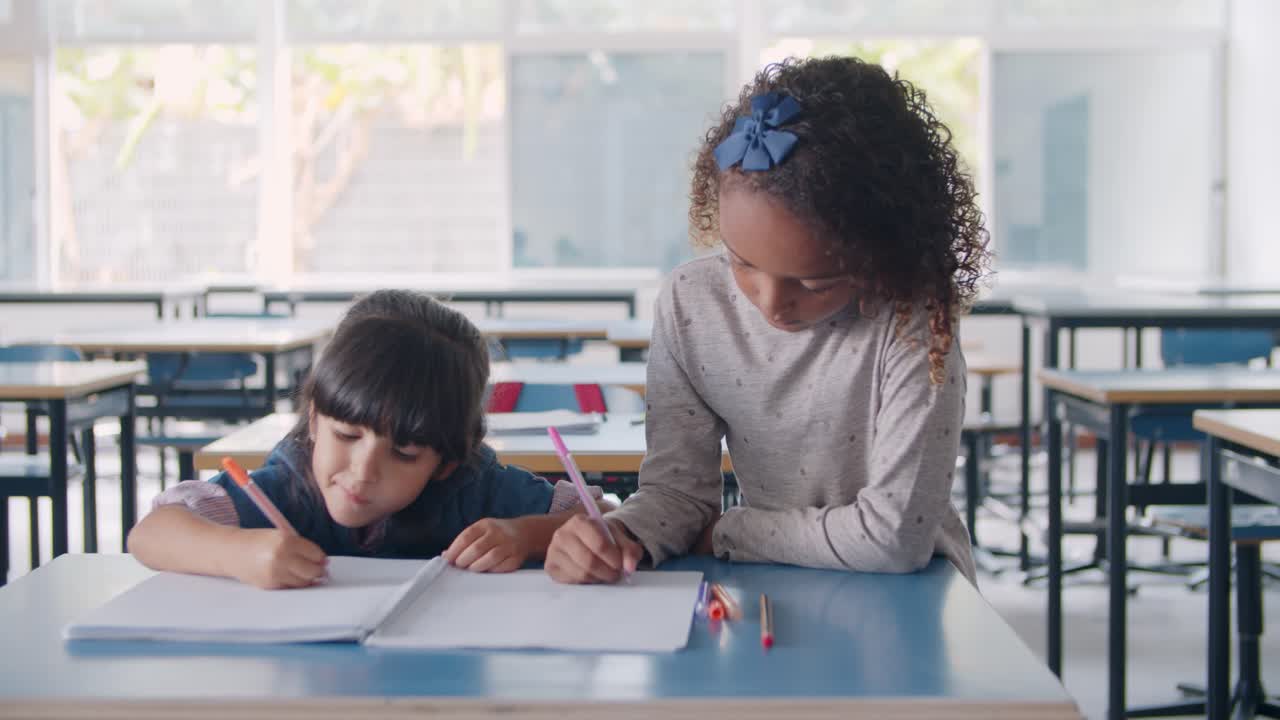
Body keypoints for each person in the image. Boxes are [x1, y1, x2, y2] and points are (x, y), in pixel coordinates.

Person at [546, 56, 990, 585]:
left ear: (878, 254)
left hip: (912, 590)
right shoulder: (691, 304)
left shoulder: (913, 320)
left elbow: (895, 537)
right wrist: (620, 534)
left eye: (815, 282)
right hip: (780, 580)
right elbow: (679, 495)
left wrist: (730, 533)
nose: (771, 302)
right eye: (741, 261)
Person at [129, 289, 603, 589]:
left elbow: (604, 520)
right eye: (346, 434)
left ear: (445, 462)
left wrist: (526, 536)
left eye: (404, 453)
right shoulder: (285, 485)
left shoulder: (473, 487)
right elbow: (150, 534)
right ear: (314, 420)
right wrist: (240, 553)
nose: (363, 471)